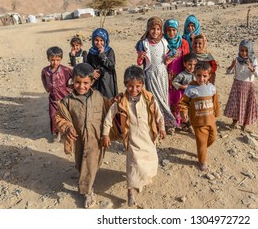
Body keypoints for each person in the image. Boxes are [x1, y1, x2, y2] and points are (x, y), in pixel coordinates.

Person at [102, 65, 166, 206]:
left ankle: (140, 181)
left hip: (148, 138)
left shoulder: (149, 98)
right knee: (133, 165)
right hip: (132, 138)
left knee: (150, 161)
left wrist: (162, 128)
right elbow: (109, 117)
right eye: (130, 86)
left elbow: (159, 114)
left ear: (143, 85)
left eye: (138, 86)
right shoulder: (122, 101)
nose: (134, 89)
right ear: (125, 85)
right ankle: (131, 191)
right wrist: (105, 134)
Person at [55, 63, 117, 209]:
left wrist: (113, 102)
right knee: (81, 162)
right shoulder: (67, 101)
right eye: (77, 82)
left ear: (92, 82)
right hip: (80, 140)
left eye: (85, 83)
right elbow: (59, 118)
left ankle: (87, 184)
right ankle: (87, 190)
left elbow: (107, 107)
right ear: (72, 81)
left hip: (96, 139)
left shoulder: (98, 96)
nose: (81, 86)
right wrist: (68, 127)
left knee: (93, 162)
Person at [135, 16, 176, 133]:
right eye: (153, 29)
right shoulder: (143, 43)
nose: (155, 32)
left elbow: (166, 59)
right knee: (154, 100)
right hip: (151, 75)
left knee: (164, 98)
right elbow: (139, 63)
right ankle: (157, 123)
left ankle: (168, 122)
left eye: (158, 29)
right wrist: (140, 58)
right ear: (148, 29)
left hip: (162, 75)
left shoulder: (164, 42)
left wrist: (172, 56)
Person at [179, 61, 220, 172]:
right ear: (194, 74)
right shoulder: (190, 89)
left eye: (204, 76)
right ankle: (202, 161)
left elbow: (215, 101)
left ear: (209, 76)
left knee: (213, 138)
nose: (201, 79)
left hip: (210, 119)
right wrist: (184, 112)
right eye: (198, 75)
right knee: (202, 142)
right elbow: (183, 103)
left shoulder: (212, 88)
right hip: (198, 121)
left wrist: (217, 112)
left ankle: (201, 151)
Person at [224, 39, 258, 132]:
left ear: (250, 51)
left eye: (246, 51)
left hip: (248, 87)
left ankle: (245, 124)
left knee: (247, 105)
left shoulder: (253, 61)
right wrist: (231, 66)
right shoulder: (237, 60)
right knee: (235, 104)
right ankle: (234, 121)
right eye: (242, 50)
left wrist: (252, 69)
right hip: (237, 85)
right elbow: (228, 72)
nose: (244, 53)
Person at [41, 46, 72, 142]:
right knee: (53, 116)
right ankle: (58, 133)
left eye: (58, 60)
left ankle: (68, 132)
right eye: (52, 60)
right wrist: (48, 88)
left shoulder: (65, 70)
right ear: (48, 59)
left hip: (64, 99)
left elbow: (76, 75)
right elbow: (44, 80)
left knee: (66, 116)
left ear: (61, 59)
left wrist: (70, 88)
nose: (55, 62)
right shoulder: (45, 71)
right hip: (53, 99)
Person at [163, 18, 191, 129]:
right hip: (167, 76)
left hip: (181, 75)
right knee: (169, 97)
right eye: (169, 30)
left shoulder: (183, 43)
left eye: (174, 30)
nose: (171, 33)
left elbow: (187, 58)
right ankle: (170, 122)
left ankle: (182, 121)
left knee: (180, 98)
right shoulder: (163, 42)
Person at [87, 28, 118, 99]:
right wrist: (92, 72)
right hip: (95, 80)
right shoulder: (91, 52)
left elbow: (111, 65)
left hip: (106, 79)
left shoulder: (109, 51)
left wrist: (102, 55)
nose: (99, 43)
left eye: (101, 40)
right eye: (96, 40)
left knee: (108, 100)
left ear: (105, 41)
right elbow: (88, 65)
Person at [172, 52, 197, 133]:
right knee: (184, 112)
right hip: (184, 98)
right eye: (189, 64)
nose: (192, 67)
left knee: (191, 112)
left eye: (194, 64)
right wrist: (182, 86)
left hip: (193, 98)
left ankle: (185, 125)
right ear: (184, 64)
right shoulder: (182, 75)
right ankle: (189, 127)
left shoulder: (196, 74)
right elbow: (174, 82)